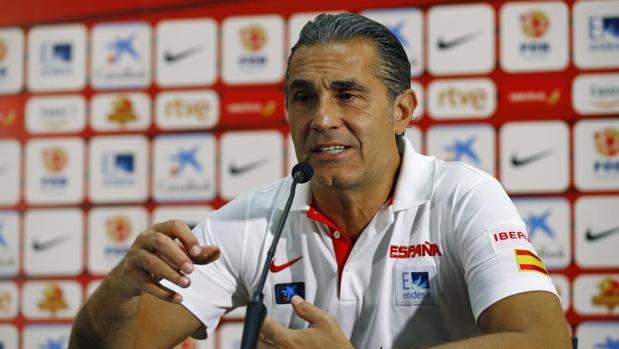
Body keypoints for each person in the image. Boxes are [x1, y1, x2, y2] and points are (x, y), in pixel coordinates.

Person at [70, 12, 571, 349]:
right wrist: (122, 287)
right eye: (304, 97)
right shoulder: (254, 219)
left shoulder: (462, 196)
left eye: (348, 95)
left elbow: (543, 339)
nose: (322, 118)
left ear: (401, 111)